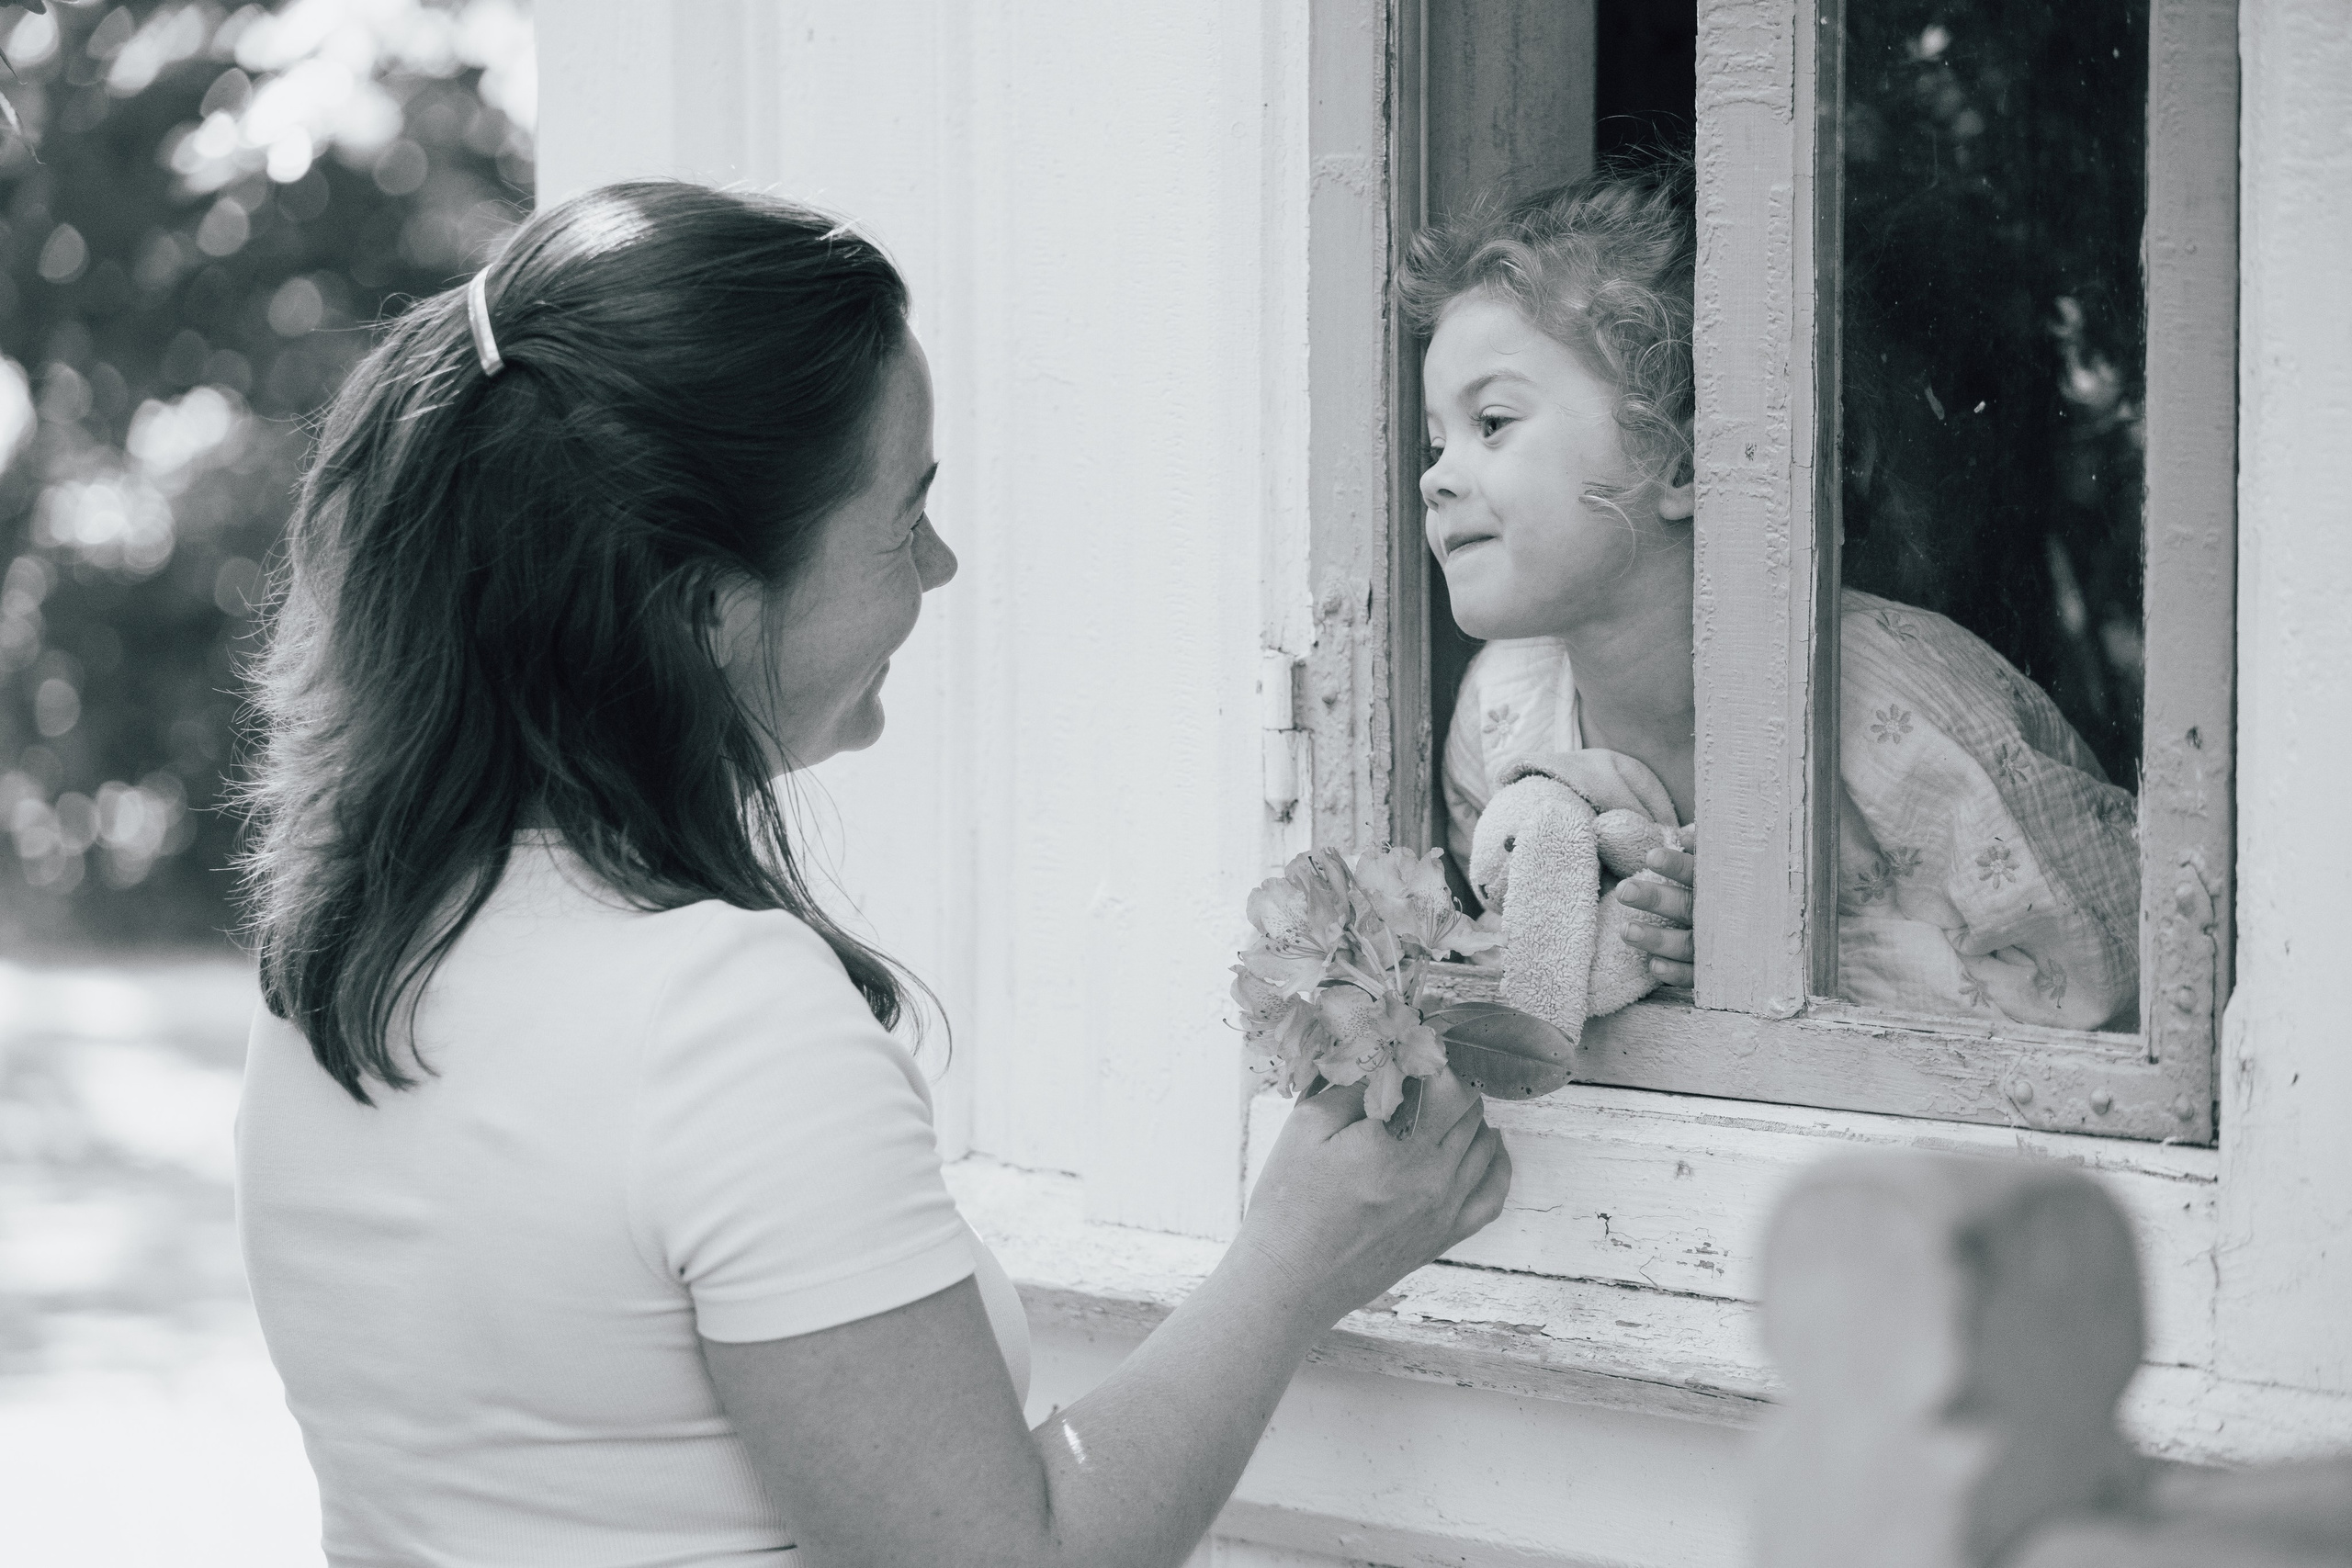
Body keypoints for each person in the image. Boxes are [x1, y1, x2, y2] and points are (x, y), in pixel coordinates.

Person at [235, 181, 1511, 1568]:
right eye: (905, 520)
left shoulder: (341, 958)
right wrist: (1288, 1269)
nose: (944, 564)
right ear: (705, 607)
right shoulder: (717, 1020)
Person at [1404, 156, 2138, 1032]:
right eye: (1433, 442)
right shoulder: (1501, 710)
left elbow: (2101, 973)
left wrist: (1782, 953)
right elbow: (1518, 976)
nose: (1436, 479)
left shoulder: (1888, 700)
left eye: (1491, 424)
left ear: (1682, 459)